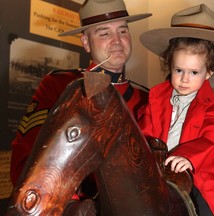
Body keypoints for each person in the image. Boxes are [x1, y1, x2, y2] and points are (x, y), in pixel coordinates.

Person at [10, 0, 151, 214]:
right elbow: (26, 158)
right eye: (104, 33)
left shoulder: (147, 98)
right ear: (86, 43)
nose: (117, 41)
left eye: (123, 30)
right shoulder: (59, 86)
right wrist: (71, 204)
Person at [138, 4, 214, 216]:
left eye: (194, 72)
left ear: (209, 72)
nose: (185, 79)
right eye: (178, 70)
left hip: (203, 178)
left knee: (201, 207)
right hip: (159, 176)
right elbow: (145, 133)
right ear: (169, 65)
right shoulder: (156, 101)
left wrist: (189, 157)